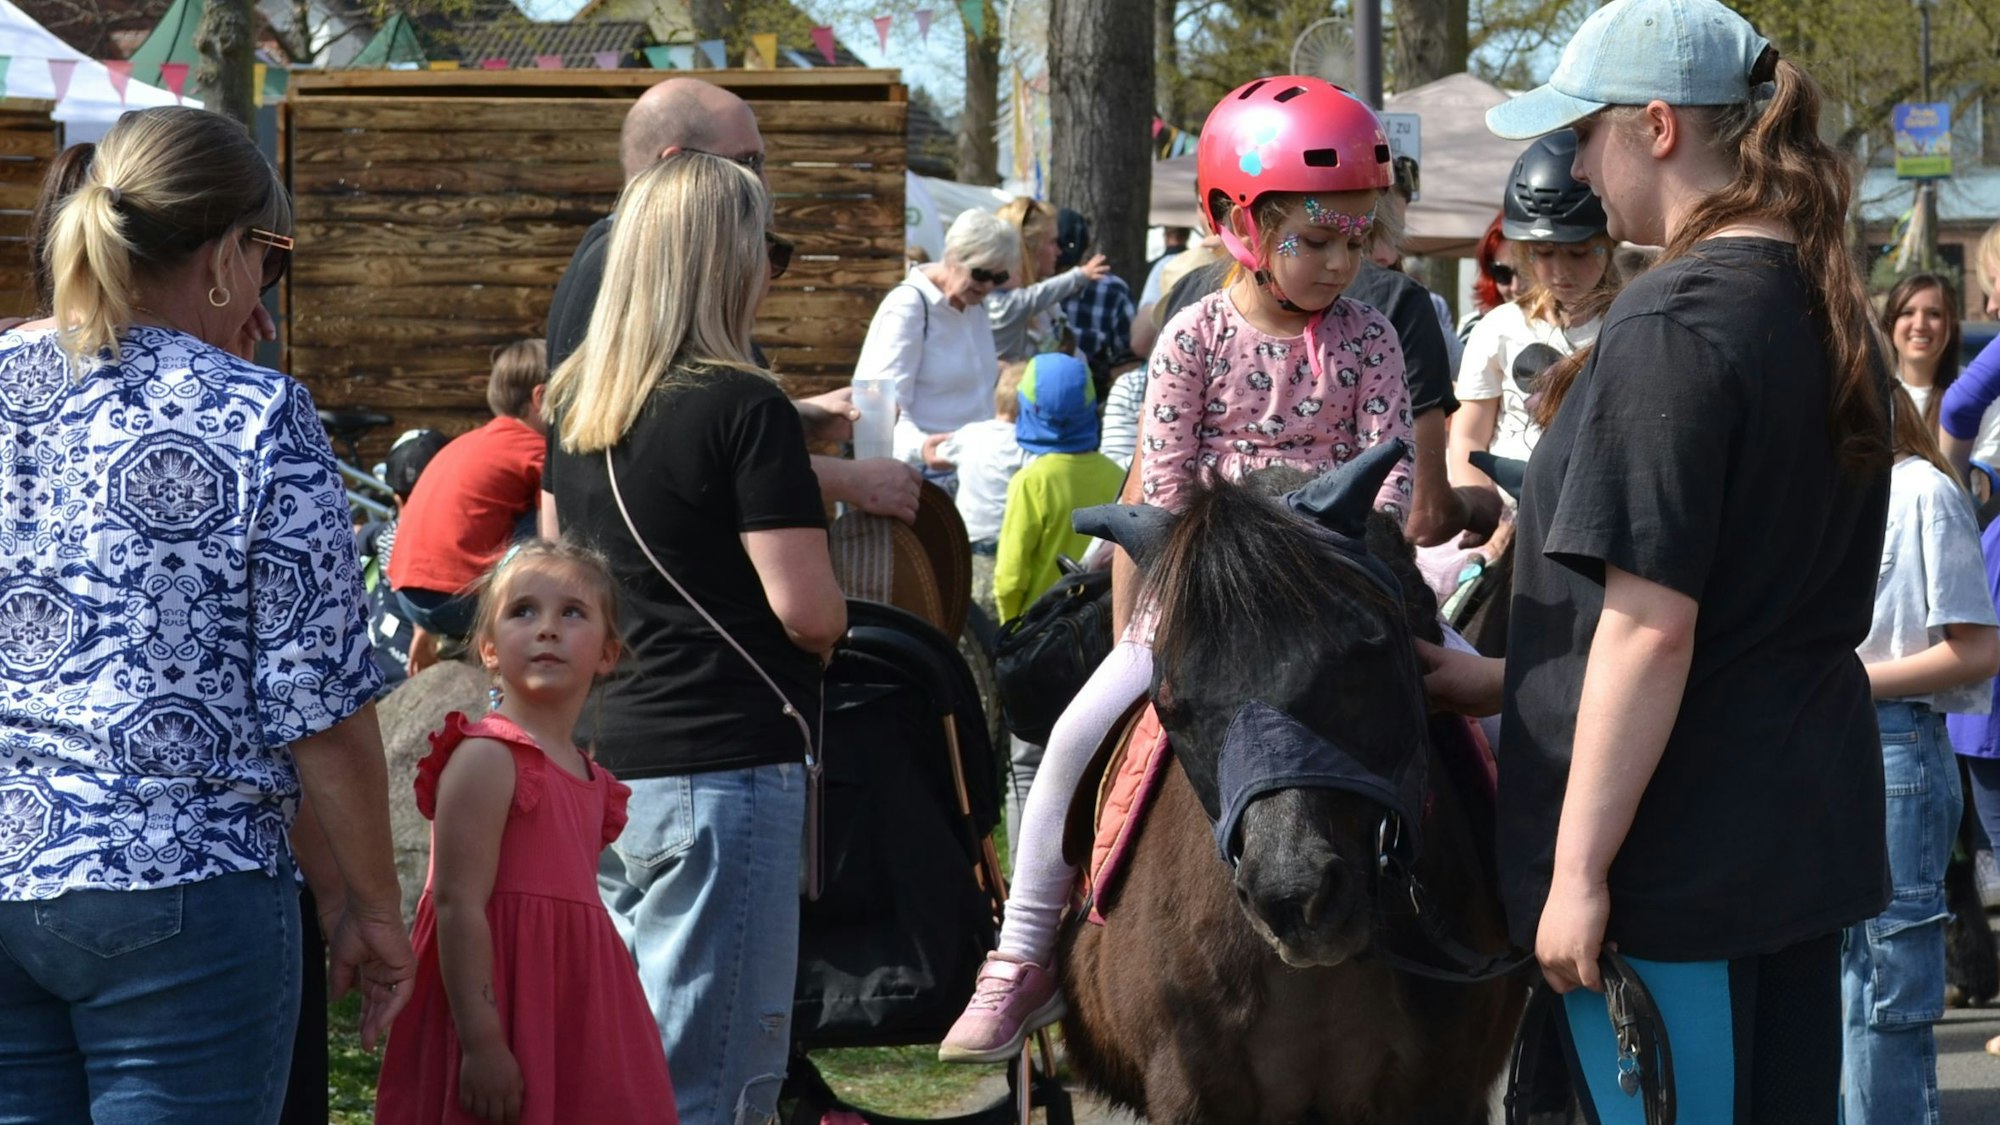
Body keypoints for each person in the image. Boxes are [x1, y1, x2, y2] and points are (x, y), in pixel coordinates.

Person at [1423, 1, 1896, 1117]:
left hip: (1672, 863)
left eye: (1585, 132)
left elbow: (1655, 626)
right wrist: (1500, 679)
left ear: (1655, 127)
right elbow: (1744, 606)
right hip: (1786, 831)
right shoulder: (1823, 308)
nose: (1577, 163)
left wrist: (1578, 875)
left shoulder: (1671, 324)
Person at [939, 75, 1415, 1063]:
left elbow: (1392, 477)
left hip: (1335, 599)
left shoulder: (1372, 336)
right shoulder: (1192, 339)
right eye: (1313, 239)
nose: (1339, 262)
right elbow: (1158, 493)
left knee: (1489, 712)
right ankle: (1022, 955)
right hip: (1207, 603)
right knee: (1074, 735)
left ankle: (1527, 901)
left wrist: (1341, 564)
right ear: (1237, 225)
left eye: (1354, 239)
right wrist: (1141, 642)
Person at [0, 105, 413, 1122]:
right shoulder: (259, 414)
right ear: (227, 254)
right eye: (272, 262)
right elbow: (318, 704)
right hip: (187, 886)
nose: (268, 305)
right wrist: (370, 903)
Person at [542, 150, 845, 1125]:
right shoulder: (745, 405)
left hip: (608, 760)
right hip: (721, 764)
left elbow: (565, 580)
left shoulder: (576, 409)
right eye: (760, 243)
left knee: (624, 1073)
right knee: (710, 1087)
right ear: (726, 257)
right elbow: (809, 612)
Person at [375, 540, 678, 1125]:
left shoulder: (591, 778)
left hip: (574, 1003)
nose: (547, 629)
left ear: (608, 654)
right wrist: (484, 1043)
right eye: (523, 612)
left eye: (572, 612)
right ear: (488, 650)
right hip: (495, 1004)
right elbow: (457, 904)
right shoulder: (488, 757)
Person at [543, 76, 920, 526]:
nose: (764, 182)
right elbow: (643, 456)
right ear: (678, 166)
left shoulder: (622, 254)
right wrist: (847, 480)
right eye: (748, 161)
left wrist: (800, 418)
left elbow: (679, 415)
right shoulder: (622, 269)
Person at [1843, 386, 1997, 1123]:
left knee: (1886, 996)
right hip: (1828, 743)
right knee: (1846, 993)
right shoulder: (1829, 493)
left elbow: (1978, 649)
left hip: (1896, 742)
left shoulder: (1923, 490)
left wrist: (1846, 681)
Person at [1448, 130, 1623, 493]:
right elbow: (1467, 439)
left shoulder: (1627, 327)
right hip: (1507, 516)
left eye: (1578, 253)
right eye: (1543, 254)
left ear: (1608, 243)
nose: (1560, 271)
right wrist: (1483, 508)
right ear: (1524, 252)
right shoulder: (1498, 327)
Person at [389, 338, 550, 661]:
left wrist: (425, 628)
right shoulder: (534, 450)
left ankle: (446, 632)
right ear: (541, 398)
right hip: (458, 601)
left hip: (409, 598)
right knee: (552, 506)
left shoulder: (467, 442)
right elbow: (553, 535)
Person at [853, 209, 1017, 468]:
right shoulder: (908, 306)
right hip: (920, 474)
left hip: (972, 469)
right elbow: (879, 403)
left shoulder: (974, 304)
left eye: (998, 278)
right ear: (953, 256)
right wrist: (921, 448)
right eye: (981, 274)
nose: (987, 286)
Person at [992, 353, 1125, 624]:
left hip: (1041, 631)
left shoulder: (1031, 482)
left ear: (1026, 408)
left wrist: (1010, 629)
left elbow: (1010, 578)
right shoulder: (1120, 477)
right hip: (1099, 630)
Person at [360, 428, 452, 693]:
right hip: (409, 676)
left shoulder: (386, 535)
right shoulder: (457, 544)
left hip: (379, 674)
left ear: (396, 497)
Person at [985, 197, 1112, 363]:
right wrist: (1080, 275)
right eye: (1052, 242)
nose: (1059, 252)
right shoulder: (998, 305)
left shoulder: (1047, 305)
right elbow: (1033, 298)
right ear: (1028, 248)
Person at [1054, 208, 1136, 381]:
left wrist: (1102, 376)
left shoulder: (1112, 291)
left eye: (1067, 270)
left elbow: (1130, 358)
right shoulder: (1028, 290)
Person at [1883, 272, 1965, 429]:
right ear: (1890, 324)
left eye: (1934, 314)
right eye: (1907, 313)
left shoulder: (1977, 393)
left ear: (1951, 326)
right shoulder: (1871, 396)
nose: (1920, 325)